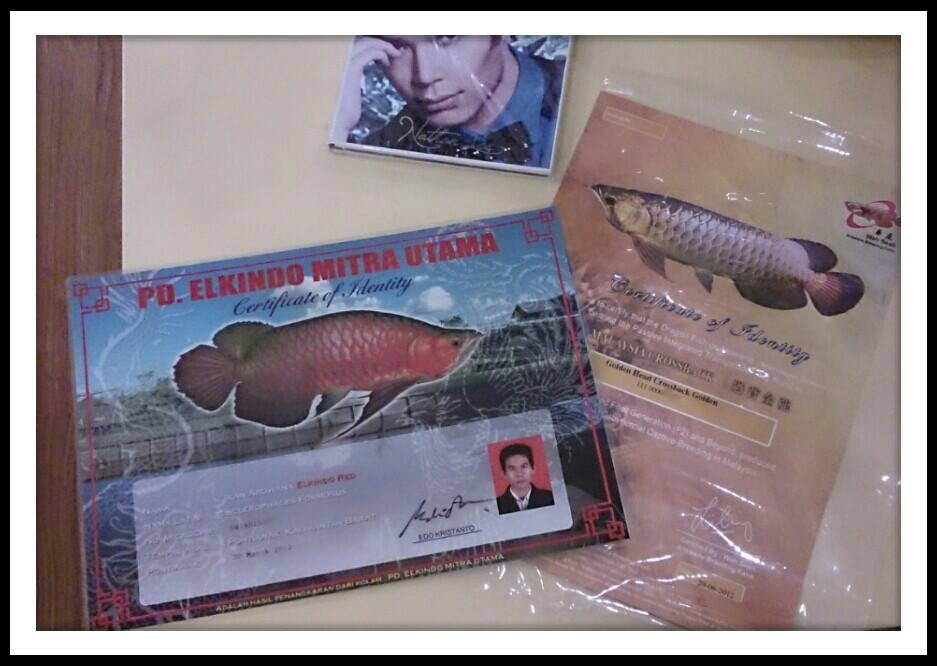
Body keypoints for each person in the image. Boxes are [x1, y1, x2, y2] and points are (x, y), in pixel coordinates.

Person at [335, 36, 565, 168]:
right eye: (397, 45)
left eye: (447, 36)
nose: (424, 76)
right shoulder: (388, 145)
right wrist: (337, 127)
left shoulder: (576, 106)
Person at [496, 443, 555, 515]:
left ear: (533, 468)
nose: (519, 474)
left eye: (524, 466)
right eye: (512, 468)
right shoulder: (496, 505)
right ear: (504, 473)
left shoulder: (551, 498)